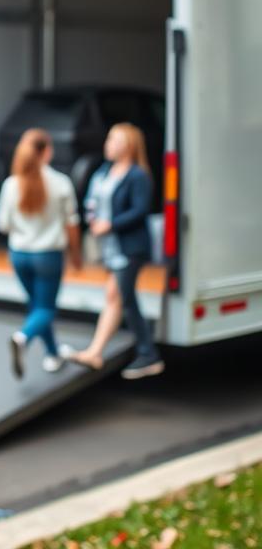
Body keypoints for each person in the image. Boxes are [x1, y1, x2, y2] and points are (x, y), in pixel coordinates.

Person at [69, 123, 164, 380]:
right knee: (114, 296)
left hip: (130, 247)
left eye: (116, 140)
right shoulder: (104, 170)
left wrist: (110, 224)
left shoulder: (137, 176)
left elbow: (140, 210)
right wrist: (92, 218)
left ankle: (148, 354)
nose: (109, 144)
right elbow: (93, 199)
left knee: (125, 297)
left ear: (129, 146)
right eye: (109, 138)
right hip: (110, 247)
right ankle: (95, 352)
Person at [0, 128, 82, 378]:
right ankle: (23, 337)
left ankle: (53, 354)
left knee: (37, 306)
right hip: (48, 256)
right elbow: (72, 223)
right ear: (47, 152)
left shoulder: (11, 185)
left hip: (19, 255)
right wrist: (76, 254)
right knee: (45, 309)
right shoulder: (61, 183)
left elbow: (2, 225)